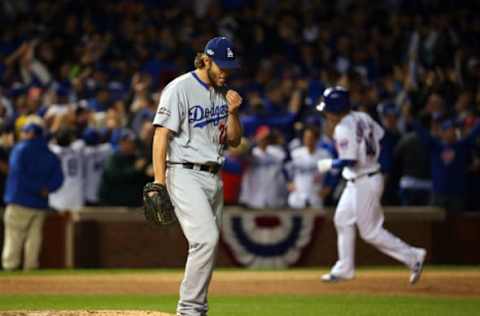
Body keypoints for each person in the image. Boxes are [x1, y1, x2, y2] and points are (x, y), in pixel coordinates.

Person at [151, 36, 242, 316]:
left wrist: (233, 113)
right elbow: (160, 135)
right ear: (206, 60)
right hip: (184, 171)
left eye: (229, 66)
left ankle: (196, 309)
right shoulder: (180, 87)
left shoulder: (222, 93)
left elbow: (235, 141)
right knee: (206, 239)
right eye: (220, 66)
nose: (225, 72)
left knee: (208, 244)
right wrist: (159, 181)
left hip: (214, 176)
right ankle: (189, 310)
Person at [315, 86, 426, 284]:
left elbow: (349, 160)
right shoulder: (363, 116)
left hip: (364, 180)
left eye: (328, 109)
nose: (326, 113)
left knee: (371, 232)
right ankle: (345, 268)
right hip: (363, 177)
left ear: (337, 108)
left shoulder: (343, 128)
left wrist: (329, 164)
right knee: (342, 219)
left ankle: (413, 256)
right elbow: (381, 137)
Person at [2, 122, 63, 271]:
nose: (22, 135)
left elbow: (17, 174)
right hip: (40, 203)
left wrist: (36, 189)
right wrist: (47, 189)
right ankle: (31, 267)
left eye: (24, 132)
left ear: (31, 134)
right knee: (34, 237)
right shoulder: (50, 153)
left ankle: (10, 266)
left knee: (14, 235)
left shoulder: (20, 150)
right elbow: (59, 178)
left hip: (20, 200)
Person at [287, 126, 333, 209]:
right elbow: (288, 171)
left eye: (311, 137)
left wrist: (328, 187)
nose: (308, 140)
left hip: (316, 192)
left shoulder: (323, 155)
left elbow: (330, 173)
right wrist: (289, 182)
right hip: (298, 192)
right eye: (306, 137)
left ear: (316, 139)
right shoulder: (296, 154)